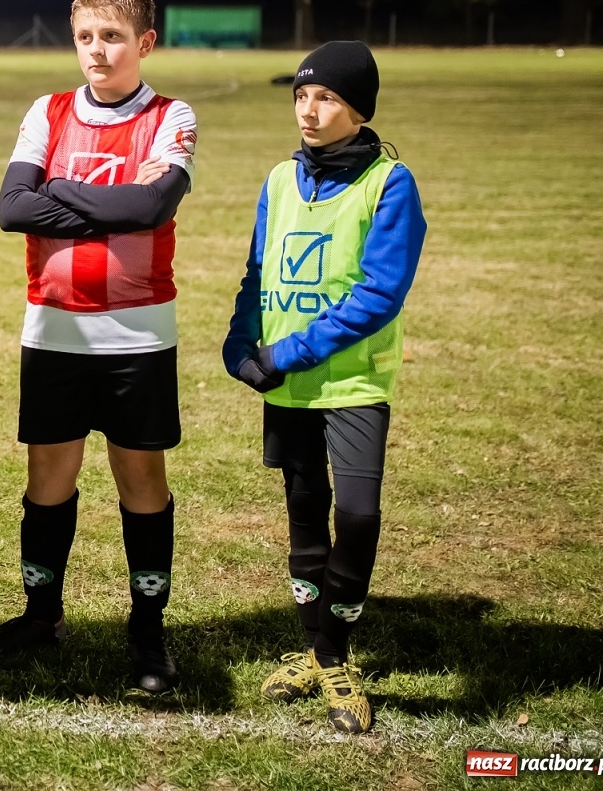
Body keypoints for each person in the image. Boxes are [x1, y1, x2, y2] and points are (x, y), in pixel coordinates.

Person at [0, 0, 197, 695]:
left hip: (137, 334)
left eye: (111, 36)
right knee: (48, 478)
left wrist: (62, 197)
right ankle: (42, 615)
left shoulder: (171, 115)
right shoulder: (48, 111)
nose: (97, 51)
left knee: (141, 479)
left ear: (144, 41)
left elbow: (154, 202)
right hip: (55, 331)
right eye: (85, 37)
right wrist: (114, 205)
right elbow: (13, 208)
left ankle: (148, 631)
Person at [222, 40, 425, 734]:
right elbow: (258, 272)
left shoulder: (389, 183)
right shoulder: (280, 178)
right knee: (305, 519)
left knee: (358, 518)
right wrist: (239, 340)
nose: (309, 110)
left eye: (327, 98)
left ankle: (334, 653)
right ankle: (318, 649)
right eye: (302, 96)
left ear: (358, 108)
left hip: (351, 384)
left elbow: (380, 295)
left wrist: (290, 350)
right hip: (286, 384)